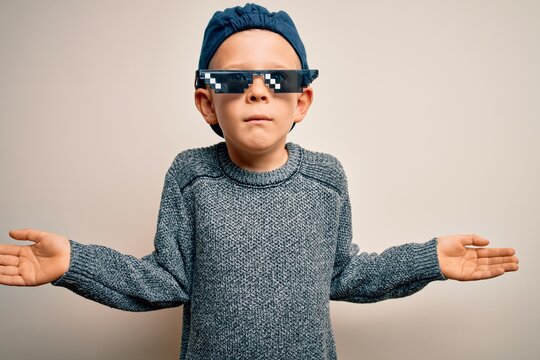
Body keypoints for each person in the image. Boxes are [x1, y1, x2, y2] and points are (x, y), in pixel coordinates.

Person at [0, 3, 519, 360]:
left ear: (302, 100)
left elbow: (342, 275)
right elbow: (164, 280)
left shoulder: (326, 180)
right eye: (232, 79)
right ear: (208, 102)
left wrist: (429, 261)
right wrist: (74, 262)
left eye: (279, 79)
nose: (256, 92)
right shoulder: (191, 176)